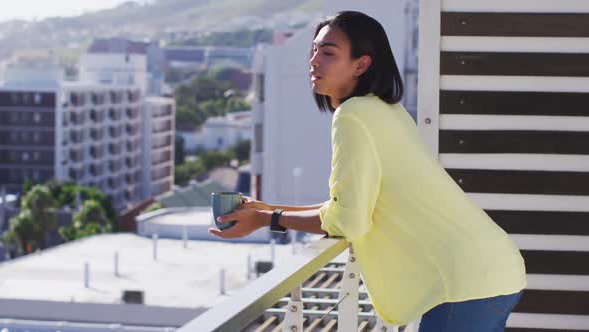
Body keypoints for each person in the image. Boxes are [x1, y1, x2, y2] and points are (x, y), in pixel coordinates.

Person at [209, 11, 526, 331]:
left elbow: (348, 220)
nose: (314, 61)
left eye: (328, 53)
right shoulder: (386, 110)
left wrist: (268, 219)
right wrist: (267, 210)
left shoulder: (353, 116)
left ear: (361, 64)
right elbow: (348, 207)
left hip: (466, 284)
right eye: (314, 50)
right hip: (489, 270)